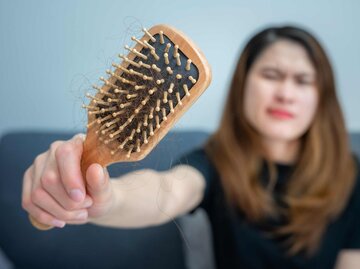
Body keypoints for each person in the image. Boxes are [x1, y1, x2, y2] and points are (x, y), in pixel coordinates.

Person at [22, 25, 360, 268]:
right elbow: (168, 191)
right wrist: (107, 200)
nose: (285, 92)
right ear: (243, 86)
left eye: (303, 81)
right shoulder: (215, 163)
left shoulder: (352, 175)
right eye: (271, 75)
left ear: (322, 98)